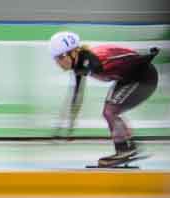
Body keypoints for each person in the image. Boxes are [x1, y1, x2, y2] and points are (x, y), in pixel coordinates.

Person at [49, 31, 159, 168]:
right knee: (109, 111)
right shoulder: (80, 65)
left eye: (60, 57)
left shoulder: (92, 60)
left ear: (73, 52)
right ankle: (128, 147)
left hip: (144, 77)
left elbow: (130, 57)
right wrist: (70, 127)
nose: (58, 62)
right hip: (128, 78)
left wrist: (149, 56)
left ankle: (126, 149)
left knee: (110, 111)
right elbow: (77, 97)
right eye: (55, 59)